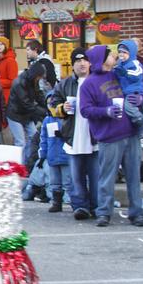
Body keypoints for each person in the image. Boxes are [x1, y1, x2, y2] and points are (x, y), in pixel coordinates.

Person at [79, 45, 143, 228]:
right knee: (107, 178)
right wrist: (106, 111)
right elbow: (85, 110)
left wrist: (140, 99)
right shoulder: (89, 84)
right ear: (101, 59)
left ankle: (137, 213)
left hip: (130, 133)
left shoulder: (119, 73)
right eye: (109, 54)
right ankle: (104, 213)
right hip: (109, 137)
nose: (114, 55)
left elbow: (136, 88)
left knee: (134, 177)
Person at [49, 47, 99, 220]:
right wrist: (62, 108)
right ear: (72, 65)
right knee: (75, 177)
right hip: (73, 136)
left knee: (95, 176)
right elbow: (52, 104)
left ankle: (96, 206)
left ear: (90, 62)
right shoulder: (65, 84)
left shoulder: (97, 81)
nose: (82, 64)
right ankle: (80, 206)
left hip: (95, 136)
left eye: (84, 60)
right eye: (77, 61)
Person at [6, 61, 49, 167]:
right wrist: (43, 111)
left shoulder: (33, 81)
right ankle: (19, 165)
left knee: (33, 136)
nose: (39, 79)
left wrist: (46, 105)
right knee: (20, 142)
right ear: (35, 74)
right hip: (15, 115)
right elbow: (27, 104)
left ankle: (28, 163)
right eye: (39, 76)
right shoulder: (19, 82)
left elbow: (38, 95)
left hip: (27, 114)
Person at [38, 109, 72, 212]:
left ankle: (75, 203)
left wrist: (64, 136)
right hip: (52, 156)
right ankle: (56, 203)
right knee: (54, 182)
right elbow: (43, 139)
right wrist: (42, 156)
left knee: (68, 182)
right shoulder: (47, 119)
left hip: (66, 156)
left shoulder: (69, 118)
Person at [114, 40, 143, 134]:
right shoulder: (120, 64)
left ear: (131, 53)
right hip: (124, 91)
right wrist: (116, 71)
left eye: (125, 52)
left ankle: (141, 121)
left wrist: (125, 73)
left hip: (134, 91)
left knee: (128, 107)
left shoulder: (135, 63)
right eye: (120, 52)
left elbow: (137, 75)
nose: (122, 54)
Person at [0, 36, 18, 106]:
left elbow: (13, 81)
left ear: (6, 46)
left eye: (1, 44)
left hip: (6, 98)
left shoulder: (11, 61)